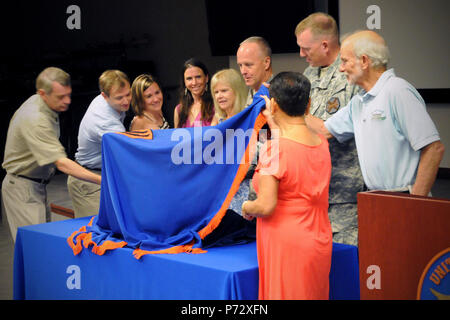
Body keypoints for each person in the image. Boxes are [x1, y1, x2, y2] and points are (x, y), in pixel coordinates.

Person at [307, 30, 445, 196]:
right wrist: (286, 106)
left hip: (404, 197)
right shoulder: (359, 102)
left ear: (364, 61)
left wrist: (416, 202)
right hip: (375, 198)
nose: (341, 69)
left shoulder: (397, 90)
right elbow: (324, 129)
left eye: (344, 61)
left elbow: (434, 148)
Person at [242, 72, 332, 300]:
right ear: (308, 104)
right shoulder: (321, 143)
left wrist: (246, 206)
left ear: (273, 104)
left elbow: (265, 206)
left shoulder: (275, 149)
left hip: (287, 243)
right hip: (318, 237)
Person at [2, 67, 101, 242]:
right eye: (61, 97)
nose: (67, 101)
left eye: (68, 95)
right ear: (42, 93)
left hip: (35, 185)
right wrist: (102, 180)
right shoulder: (35, 119)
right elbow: (61, 163)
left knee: (40, 244)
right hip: (22, 188)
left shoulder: (44, 103)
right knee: (34, 247)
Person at [295, 12, 364, 246]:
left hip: (344, 190)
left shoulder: (350, 75)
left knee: (347, 262)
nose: (301, 54)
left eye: (306, 48)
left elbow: (340, 129)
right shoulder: (309, 74)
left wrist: (295, 115)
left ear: (325, 45)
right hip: (314, 191)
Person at [201, 68, 256, 248]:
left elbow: (261, 158)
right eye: (215, 92)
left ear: (237, 90)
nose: (219, 96)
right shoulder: (218, 122)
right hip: (218, 196)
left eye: (224, 90)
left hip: (245, 199)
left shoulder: (253, 118)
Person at [67, 70, 131, 218]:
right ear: (104, 96)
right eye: (119, 98)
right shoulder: (106, 121)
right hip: (88, 180)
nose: (126, 101)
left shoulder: (107, 100)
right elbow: (127, 155)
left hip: (101, 174)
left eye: (128, 94)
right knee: (97, 234)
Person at [174, 58, 218, 128]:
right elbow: (175, 137)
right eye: (189, 78)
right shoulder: (179, 110)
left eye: (198, 77)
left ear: (206, 78)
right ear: (184, 82)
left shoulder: (216, 105)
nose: (194, 82)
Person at [236, 36, 273, 106]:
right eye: (240, 65)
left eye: (248, 65)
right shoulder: (250, 94)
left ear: (266, 63)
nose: (243, 72)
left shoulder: (280, 96)